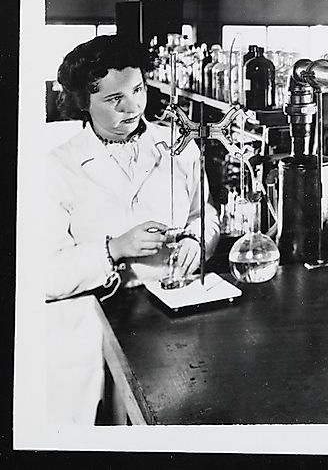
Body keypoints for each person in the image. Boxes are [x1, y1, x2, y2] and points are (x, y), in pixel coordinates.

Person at [45, 35, 219, 424]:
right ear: (83, 103)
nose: (133, 107)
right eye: (114, 100)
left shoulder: (179, 146)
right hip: (100, 329)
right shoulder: (57, 167)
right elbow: (41, 276)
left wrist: (197, 239)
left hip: (176, 318)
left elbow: (203, 214)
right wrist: (114, 249)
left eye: (138, 90)